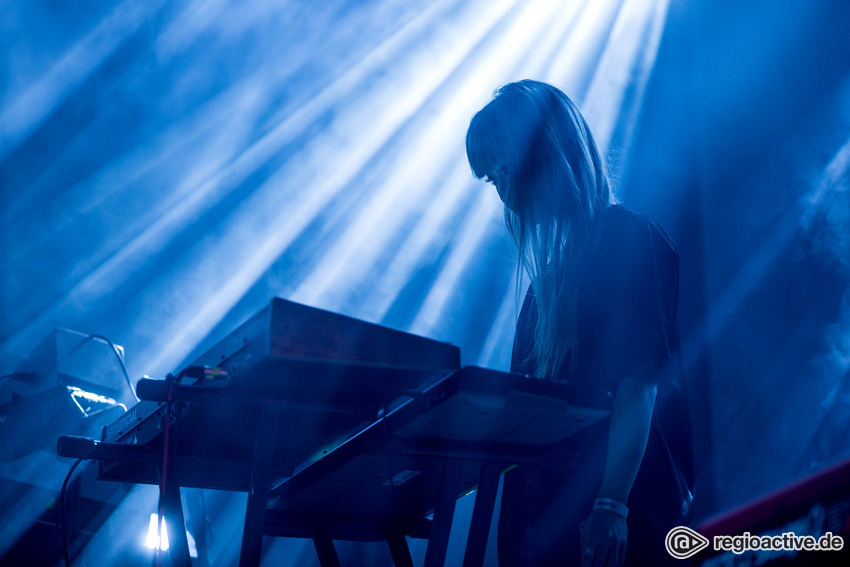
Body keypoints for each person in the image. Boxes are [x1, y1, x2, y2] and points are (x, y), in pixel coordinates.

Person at [465, 80, 694, 566]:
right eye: (493, 178)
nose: (504, 190)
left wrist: (612, 505)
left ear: (549, 151)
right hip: (550, 535)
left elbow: (639, 385)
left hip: (622, 526)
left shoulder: (630, 240)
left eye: (508, 168)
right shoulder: (540, 294)